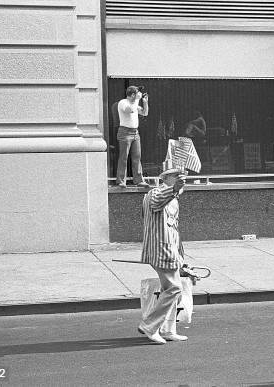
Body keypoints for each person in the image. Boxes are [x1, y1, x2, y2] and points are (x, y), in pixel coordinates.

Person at [137, 159, 188, 344]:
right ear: (165, 178)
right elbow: (159, 200)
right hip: (161, 250)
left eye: (181, 177)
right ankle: (150, 326)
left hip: (169, 250)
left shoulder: (172, 197)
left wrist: (180, 257)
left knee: (174, 290)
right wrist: (175, 188)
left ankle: (168, 329)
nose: (180, 180)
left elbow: (173, 230)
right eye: (176, 176)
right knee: (174, 289)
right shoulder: (154, 193)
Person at [116, 86, 149, 188]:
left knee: (137, 157)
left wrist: (145, 102)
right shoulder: (123, 102)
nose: (138, 95)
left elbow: (145, 113)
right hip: (124, 132)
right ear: (133, 95)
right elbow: (129, 110)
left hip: (135, 133)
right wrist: (138, 100)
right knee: (124, 157)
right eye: (137, 94)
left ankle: (139, 180)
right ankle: (121, 181)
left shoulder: (135, 103)